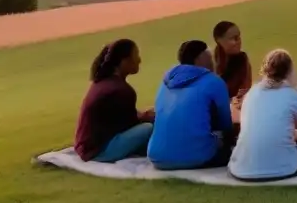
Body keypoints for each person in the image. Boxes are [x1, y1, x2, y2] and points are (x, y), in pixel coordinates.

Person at [228, 49, 297, 182]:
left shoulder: (251, 94)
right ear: (290, 71)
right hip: (282, 168)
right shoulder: (296, 97)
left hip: (241, 168)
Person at [147, 40, 235, 170]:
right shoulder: (214, 81)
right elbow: (225, 123)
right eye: (209, 57)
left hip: (157, 157)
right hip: (196, 157)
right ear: (199, 58)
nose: (213, 62)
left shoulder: (165, 82)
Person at [74, 39, 155, 162]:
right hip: (98, 152)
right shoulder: (121, 89)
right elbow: (129, 124)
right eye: (135, 56)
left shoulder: (103, 82)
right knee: (149, 128)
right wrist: (147, 117)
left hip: (87, 148)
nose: (139, 60)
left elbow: (117, 116)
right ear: (124, 61)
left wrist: (143, 115)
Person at [212, 20, 252, 102]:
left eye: (239, 37)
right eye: (234, 38)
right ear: (219, 41)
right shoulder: (210, 62)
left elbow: (245, 90)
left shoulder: (242, 59)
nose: (239, 41)